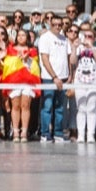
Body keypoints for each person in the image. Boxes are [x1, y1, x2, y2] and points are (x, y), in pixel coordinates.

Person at [36, 14, 70, 143]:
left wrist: (69, 75)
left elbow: (67, 58)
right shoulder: (45, 38)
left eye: (60, 25)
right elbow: (45, 59)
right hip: (49, 78)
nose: (57, 27)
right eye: (54, 25)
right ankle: (45, 134)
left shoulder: (64, 39)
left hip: (63, 78)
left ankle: (58, 133)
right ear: (50, 24)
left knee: (60, 107)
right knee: (47, 106)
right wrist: (54, 77)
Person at [72, 22, 96, 143]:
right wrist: (74, 48)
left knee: (92, 108)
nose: (87, 38)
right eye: (85, 36)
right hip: (80, 79)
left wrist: (91, 47)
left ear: (94, 38)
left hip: (95, 79)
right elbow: (72, 61)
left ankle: (90, 134)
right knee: (81, 108)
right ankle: (81, 134)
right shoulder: (79, 48)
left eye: (90, 36)